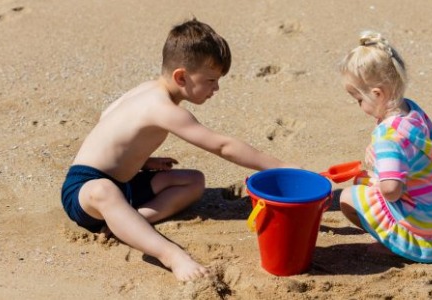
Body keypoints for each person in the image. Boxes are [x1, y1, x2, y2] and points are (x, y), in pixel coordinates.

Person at [60, 18, 298, 281]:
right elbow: (223, 146)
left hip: (123, 184)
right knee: (103, 190)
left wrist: (144, 161)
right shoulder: (162, 108)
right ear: (181, 77)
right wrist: (281, 167)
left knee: (193, 181)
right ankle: (171, 256)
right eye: (211, 80)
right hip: (84, 190)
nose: (216, 88)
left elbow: (111, 125)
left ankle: (129, 222)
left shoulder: (145, 90)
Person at [337, 30, 432, 263]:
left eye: (359, 100)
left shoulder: (388, 136)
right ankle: (396, 233)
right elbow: (409, 153)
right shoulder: (412, 111)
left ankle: (395, 244)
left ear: (377, 94)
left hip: (421, 226)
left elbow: (392, 189)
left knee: (347, 197)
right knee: (363, 179)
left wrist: (380, 179)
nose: (359, 106)